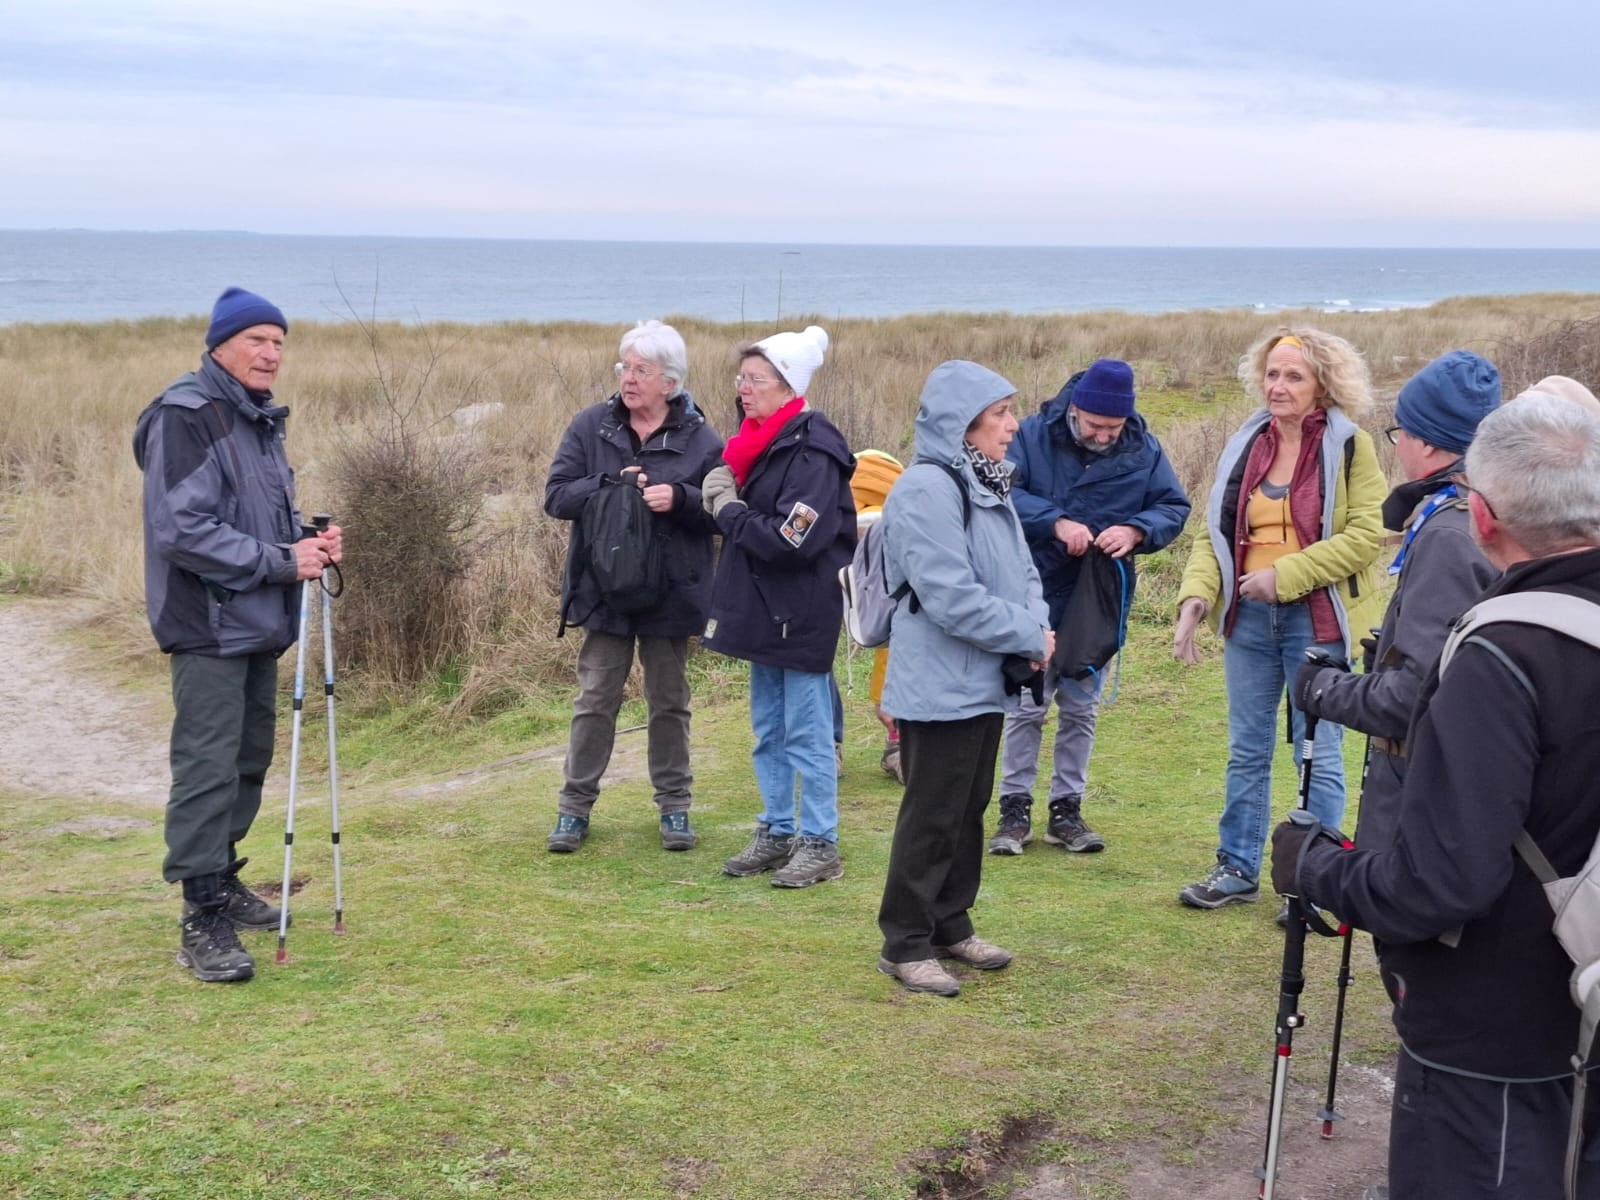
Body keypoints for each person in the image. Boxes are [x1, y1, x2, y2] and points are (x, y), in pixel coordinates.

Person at [1270, 392, 1600, 1200]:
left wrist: (1314, 866)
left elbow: (1440, 883)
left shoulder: (1503, 655)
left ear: (1482, 518)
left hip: (1497, 1031)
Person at [133, 286, 343, 983]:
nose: (271, 353)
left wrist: (308, 541)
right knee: (207, 767)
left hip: (256, 619)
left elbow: (253, 515)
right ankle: (201, 917)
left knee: (248, 761)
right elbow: (181, 528)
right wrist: (282, 562)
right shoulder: (187, 414)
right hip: (208, 622)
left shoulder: (257, 418)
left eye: (279, 342)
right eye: (257, 340)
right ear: (220, 343)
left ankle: (221, 878)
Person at [1172, 327, 1385, 910]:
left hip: (1317, 621)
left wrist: (1284, 577)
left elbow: (1367, 536)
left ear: (1323, 384)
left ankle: (1313, 885)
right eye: (1272, 373)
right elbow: (1212, 535)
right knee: (1247, 748)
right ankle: (1235, 868)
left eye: (1293, 375)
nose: (1278, 385)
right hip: (1248, 623)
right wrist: (1196, 598)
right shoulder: (1246, 442)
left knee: (1316, 749)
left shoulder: (1350, 445)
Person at [874, 361, 1053, 996]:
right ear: (964, 422)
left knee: (968, 807)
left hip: (981, 677)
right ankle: (905, 943)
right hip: (938, 682)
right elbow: (950, 597)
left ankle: (950, 923)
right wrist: (1030, 636)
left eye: (1010, 412)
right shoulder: (926, 489)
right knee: (933, 810)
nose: (1013, 425)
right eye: (1001, 414)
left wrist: (1036, 626)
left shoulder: (987, 482)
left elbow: (1024, 573)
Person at [1294, 351, 1500, 857]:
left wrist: (1323, 691)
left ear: (1428, 442)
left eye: (1401, 431)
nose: (1398, 443)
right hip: (1464, 778)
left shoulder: (1448, 535)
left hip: (1427, 788)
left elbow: (1416, 695)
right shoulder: (1491, 511)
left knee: (1404, 922)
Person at [991, 358, 1190, 855]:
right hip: (1032, 587)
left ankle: (1067, 810)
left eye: (1114, 428)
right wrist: (1055, 521)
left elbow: (1173, 506)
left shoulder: (1144, 448)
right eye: (1097, 426)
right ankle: (1014, 810)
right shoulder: (1031, 435)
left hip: (1098, 596)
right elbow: (1000, 493)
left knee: (1080, 707)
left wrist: (1138, 529)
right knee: (1026, 705)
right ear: (1075, 409)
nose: (1104, 436)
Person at [544, 320, 723, 853]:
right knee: (595, 700)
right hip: (604, 590)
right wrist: (609, 485)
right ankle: (573, 811)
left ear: (670, 380)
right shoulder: (591, 427)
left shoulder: (702, 438)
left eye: (641, 370)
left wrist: (682, 500)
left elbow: (721, 513)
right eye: (625, 367)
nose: (628, 378)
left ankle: (675, 809)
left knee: (669, 701)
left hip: (673, 592)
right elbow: (555, 497)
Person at [702, 325, 856, 888]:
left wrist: (728, 511)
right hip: (762, 608)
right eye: (740, 378)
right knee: (769, 728)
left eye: (755, 379)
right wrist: (730, 500)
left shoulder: (814, 450)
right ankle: (776, 829)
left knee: (808, 734)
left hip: (802, 609)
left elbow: (796, 540)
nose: (743, 388)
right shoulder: (756, 442)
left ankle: (821, 841)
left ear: (787, 385)